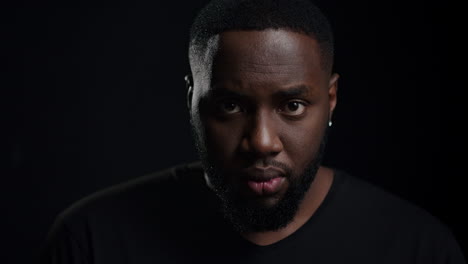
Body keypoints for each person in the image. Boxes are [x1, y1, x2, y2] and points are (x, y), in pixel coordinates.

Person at [40, 0, 466, 263]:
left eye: (293, 105)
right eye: (230, 105)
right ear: (192, 100)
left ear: (331, 99)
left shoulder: (416, 248)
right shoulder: (92, 241)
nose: (261, 141)